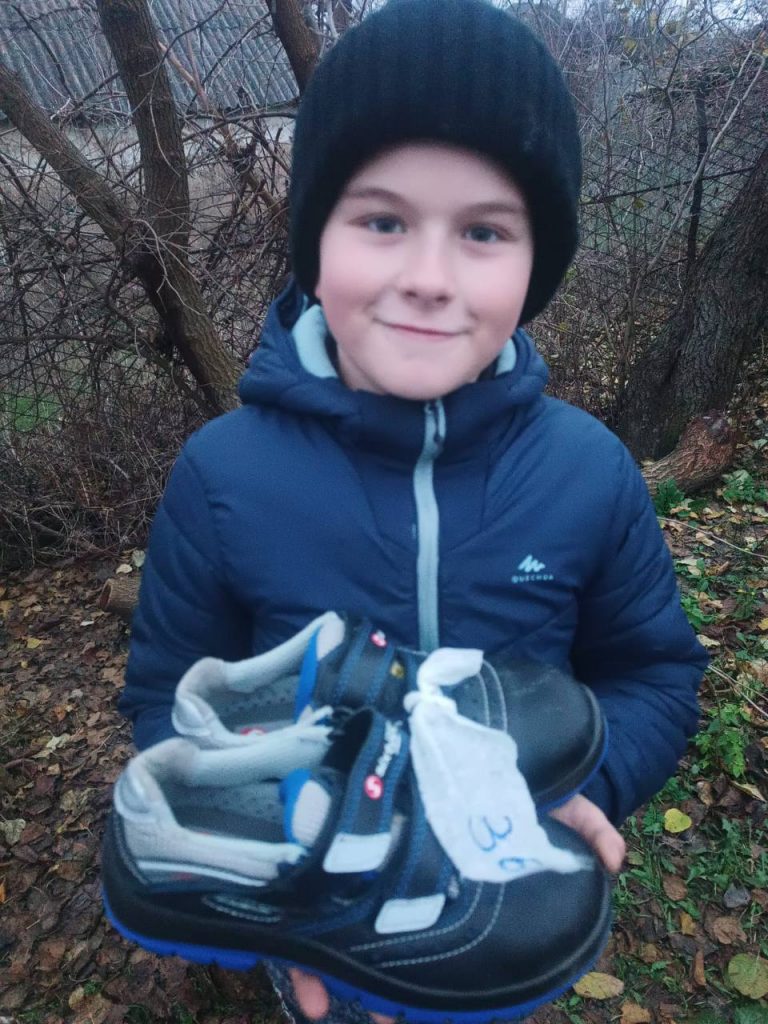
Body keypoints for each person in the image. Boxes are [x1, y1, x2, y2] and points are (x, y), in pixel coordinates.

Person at [119, 0, 707, 1019]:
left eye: (483, 231)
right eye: (383, 221)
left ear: (536, 264)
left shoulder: (590, 471)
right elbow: (172, 700)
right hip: (328, 916)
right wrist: (274, 865)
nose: (429, 279)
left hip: (502, 901)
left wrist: (579, 787)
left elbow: (653, 671)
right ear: (315, 241)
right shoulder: (222, 475)